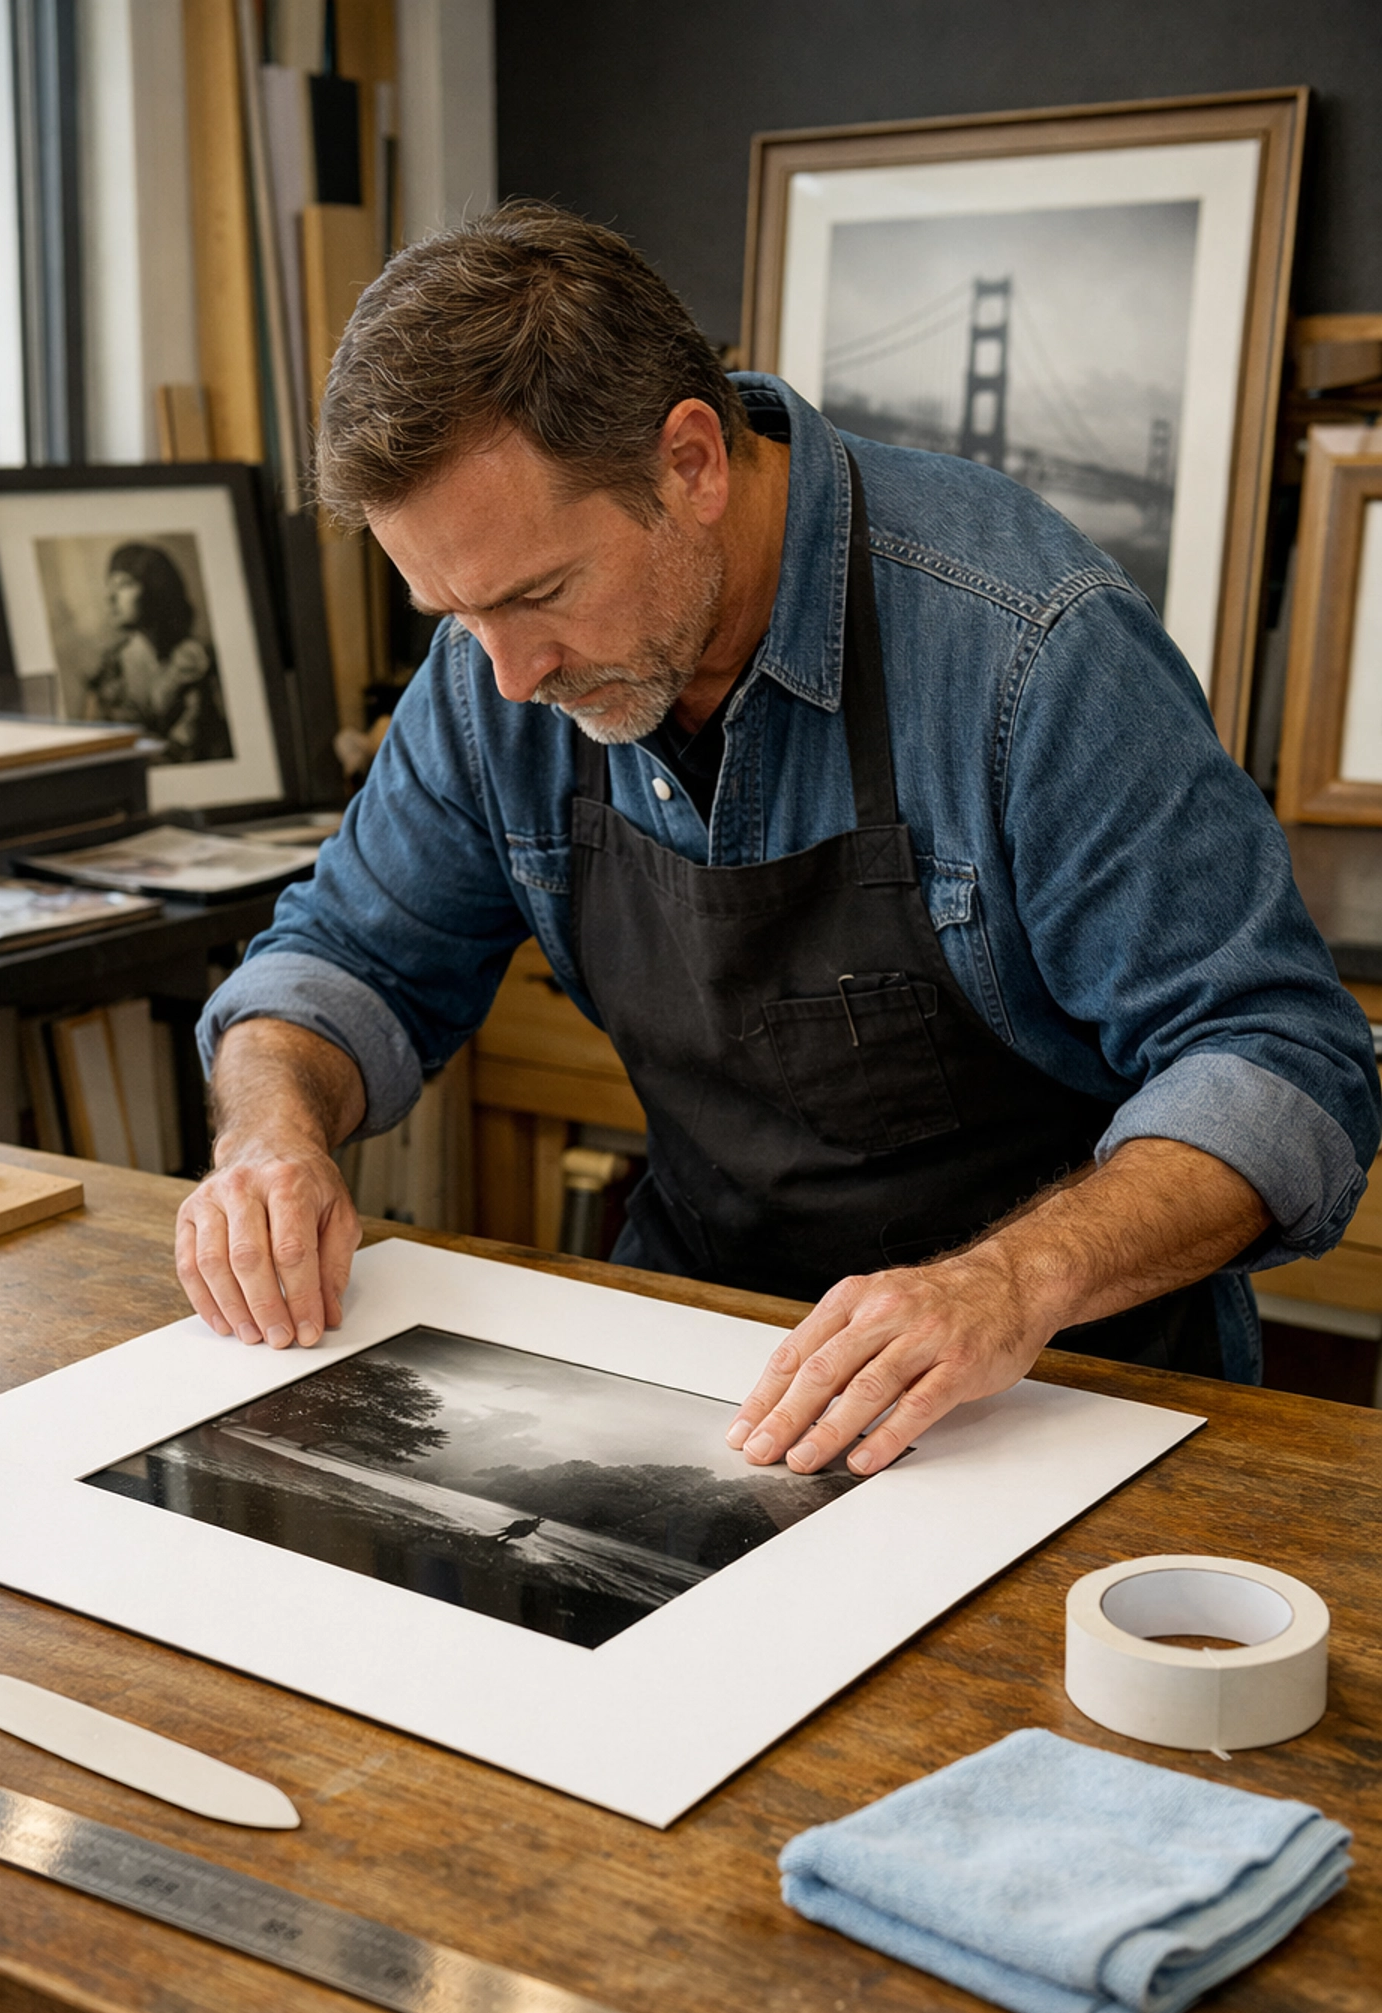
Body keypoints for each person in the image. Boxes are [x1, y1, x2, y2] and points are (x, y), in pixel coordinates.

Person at [177, 203, 1380, 1481]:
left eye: (540, 595)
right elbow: (347, 959)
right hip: (709, 1362)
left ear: (693, 462)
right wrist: (271, 1137)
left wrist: (1006, 1284)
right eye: (454, 612)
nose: (511, 676)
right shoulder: (494, 675)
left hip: (1059, 1388)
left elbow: (1284, 1059)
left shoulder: (1030, 649)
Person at [87, 540, 230, 763]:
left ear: (155, 588)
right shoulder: (110, 669)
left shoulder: (194, 661)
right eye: (110, 586)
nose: (111, 597)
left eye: (124, 584)